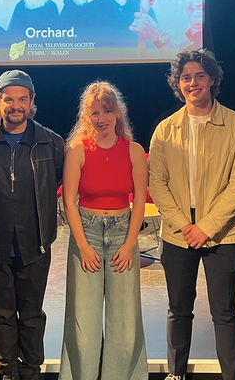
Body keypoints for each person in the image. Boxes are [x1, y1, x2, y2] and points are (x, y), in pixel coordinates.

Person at [148, 49, 235, 380]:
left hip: (224, 234)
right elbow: (157, 185)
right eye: (186, 77)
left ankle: (229, 377)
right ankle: (175, 374)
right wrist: (184, 225)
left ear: (213, 79)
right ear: (178, 84)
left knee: (224, 312)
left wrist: (205, 227)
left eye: (199, 75)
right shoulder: (165, 130)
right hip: (178, 234)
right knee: (179, 309)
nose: (193, 83)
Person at [0, 70, 65, 380]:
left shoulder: (51, 143)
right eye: (8, 99)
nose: (15, 105)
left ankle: (31, 369)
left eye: (22, 99)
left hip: (35, 242)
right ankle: (8, 369)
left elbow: (59, 182)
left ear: (32, 102)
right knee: (1, 312)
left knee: (33, 312)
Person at [59, 81, 149, 380]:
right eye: (95, 112)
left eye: (107, 111)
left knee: (125, 324)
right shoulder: (77, 150)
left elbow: (138, 202)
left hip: (124, 234)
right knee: (83, 325)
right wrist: (83, 246)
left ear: (117, 114)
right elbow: (69, 202)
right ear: (87, 116)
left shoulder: (134, 151)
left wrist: (130, 243)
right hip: (87, 234)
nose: (101, 118)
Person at [130, 0, 203, 53]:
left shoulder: (210, 42)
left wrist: (158, 35)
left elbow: (180, 59)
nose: (197, 2)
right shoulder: (187, 43)